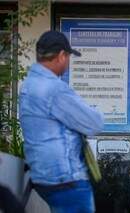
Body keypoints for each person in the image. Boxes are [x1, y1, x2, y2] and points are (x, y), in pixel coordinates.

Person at [19, 30, 104, 213]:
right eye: (68, 57)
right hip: (66, 180)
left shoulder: (28, 85)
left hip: (43, 178)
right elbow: (94, 123)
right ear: (61, 56)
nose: (68, 63)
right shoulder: (54, 89)